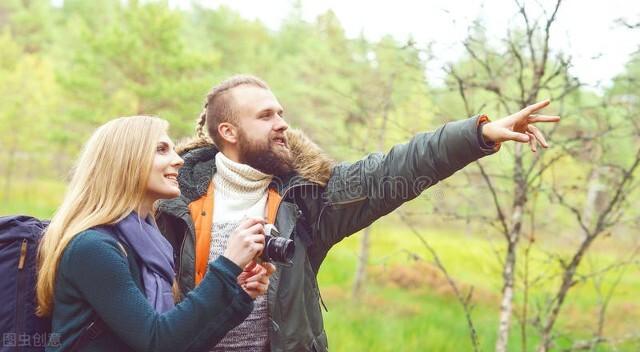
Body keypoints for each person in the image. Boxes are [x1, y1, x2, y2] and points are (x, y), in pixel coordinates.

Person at [155, 75, 560, 352]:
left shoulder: (310, 198)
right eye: (265, 116)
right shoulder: (170, 199)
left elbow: (396, 168)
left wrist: (477, 135)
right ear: (228, 132)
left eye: (280, 113)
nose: (282, 125)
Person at [36, 116, 275, 352]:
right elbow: (157, 341)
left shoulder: (152, 245)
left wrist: (239, 297)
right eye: (161, 150)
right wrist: (227, 265)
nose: (178, 160)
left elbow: (180, 342)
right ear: (125, 162)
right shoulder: (93, 247)